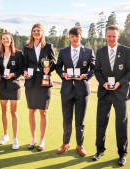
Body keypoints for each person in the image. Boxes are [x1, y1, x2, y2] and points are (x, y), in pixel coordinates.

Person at [93, 25, 130, 166]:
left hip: (121, 92)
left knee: (121, 124)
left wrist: (120, 83)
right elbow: (97, 71)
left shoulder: (127, 51)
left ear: (118, 36)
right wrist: (103, 83)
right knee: (101, 122)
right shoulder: (101, 51)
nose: (111, 38)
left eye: (114, 36)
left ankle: (122, 154)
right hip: (105, 92)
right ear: (105, 36)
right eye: (109, 36)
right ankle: (99, 150)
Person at [55, 27, 95, 157]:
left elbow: (94, 69)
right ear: (69, 37)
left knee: (80, 121)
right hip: (67, 89)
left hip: (82, 90)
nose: (74, 38)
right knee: (67, 119)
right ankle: (65, 143)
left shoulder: (88, 51)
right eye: (72, 36)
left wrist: (86, 76)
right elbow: (57, 67)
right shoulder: (63, 51)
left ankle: (80, 145)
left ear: (81, 37)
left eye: (77, 36)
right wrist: (63, 74)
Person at [23, 23, 56, 151]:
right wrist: (25, 72)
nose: (36, 33)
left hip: (44, 80)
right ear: (31, 33)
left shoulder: (48, 47)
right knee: (32, 111)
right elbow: (24, 65)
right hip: (31, 82)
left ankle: (42, 139)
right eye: (34, 31)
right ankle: (33, 138)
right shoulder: (27, 47)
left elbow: (54, 62)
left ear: (42, 33)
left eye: (39, 31)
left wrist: (49, 68)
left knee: (43, 111)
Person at [0, 32, 23, 149]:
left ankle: (15, 138)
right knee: (4, 111)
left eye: (8, 38)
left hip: (14, 86)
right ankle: (5, 135)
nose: (6, 40)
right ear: (1, 40)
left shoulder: (18, 53)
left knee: (14, 113)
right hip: (3, 86)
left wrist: (13, 74)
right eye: (3, 39)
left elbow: (21, 70)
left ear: (11, 40)